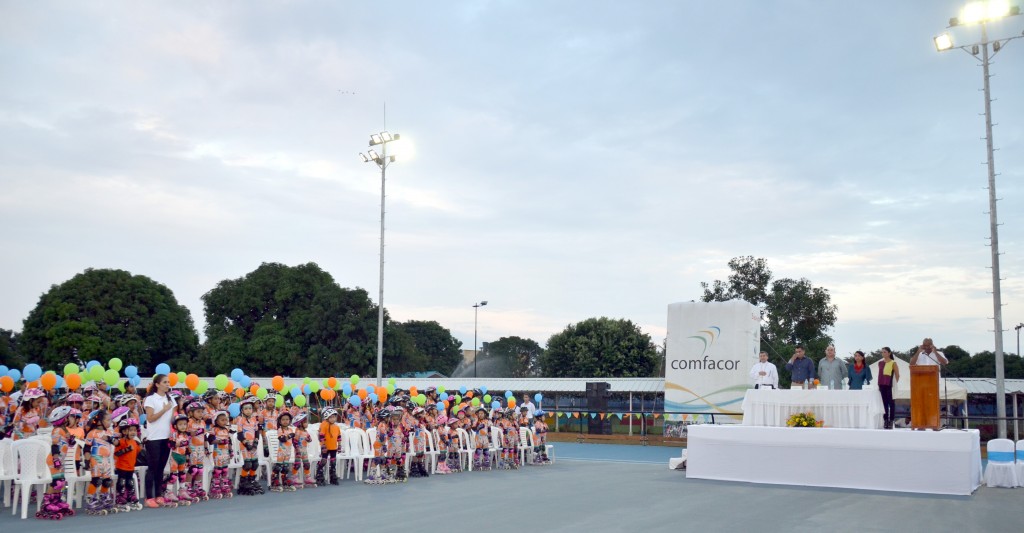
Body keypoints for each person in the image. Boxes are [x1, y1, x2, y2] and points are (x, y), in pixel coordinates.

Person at [36, 405, 78, 520]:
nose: (71, 419)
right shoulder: (57, 430)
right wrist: (55, 459)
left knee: (61, 482)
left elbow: (68, 444)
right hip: (55, 459)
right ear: (63, 419)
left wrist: (71, 440)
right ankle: (47, 503)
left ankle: (56, 500)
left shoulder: (64, 430)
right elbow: (55, 445)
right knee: (56, 482)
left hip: (61, 459)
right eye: (69, 417)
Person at [142, 374, 174, 509]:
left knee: (161, 467)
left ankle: (159, 494)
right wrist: (164, 409)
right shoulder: (150, 399)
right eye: (165, 382)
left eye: (168, 382)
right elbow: (150, 418)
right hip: (153, 438)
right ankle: (149, 497)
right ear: (157, 384)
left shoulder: (171, 399)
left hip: (166, 437)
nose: (167, 384)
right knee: (152, 467)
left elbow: (171, 419)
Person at [208, 411, 234, 499]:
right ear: (216, 421)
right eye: (222, 420)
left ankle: (224, 484)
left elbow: (229, 441)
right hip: (217, 451)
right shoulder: (214, 429)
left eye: (225, 420)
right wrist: (219, 441)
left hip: (225, 452)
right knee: (218, 470)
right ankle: (215, 485)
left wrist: (231, 451)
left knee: (225, 469)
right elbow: (211, 440)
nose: (225, 422)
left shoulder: (226, 429)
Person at [877, 347, 901, 429]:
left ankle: (891, 420)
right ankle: (885, 420)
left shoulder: (893, 363)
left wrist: (894, 384)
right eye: (882, 352)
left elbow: (897, 375)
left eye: (885, 352)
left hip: (890, 386)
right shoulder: (880, 363)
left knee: (891, 403)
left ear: (889, 353)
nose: (883, 353)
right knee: (884, 404)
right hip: (881, 385)